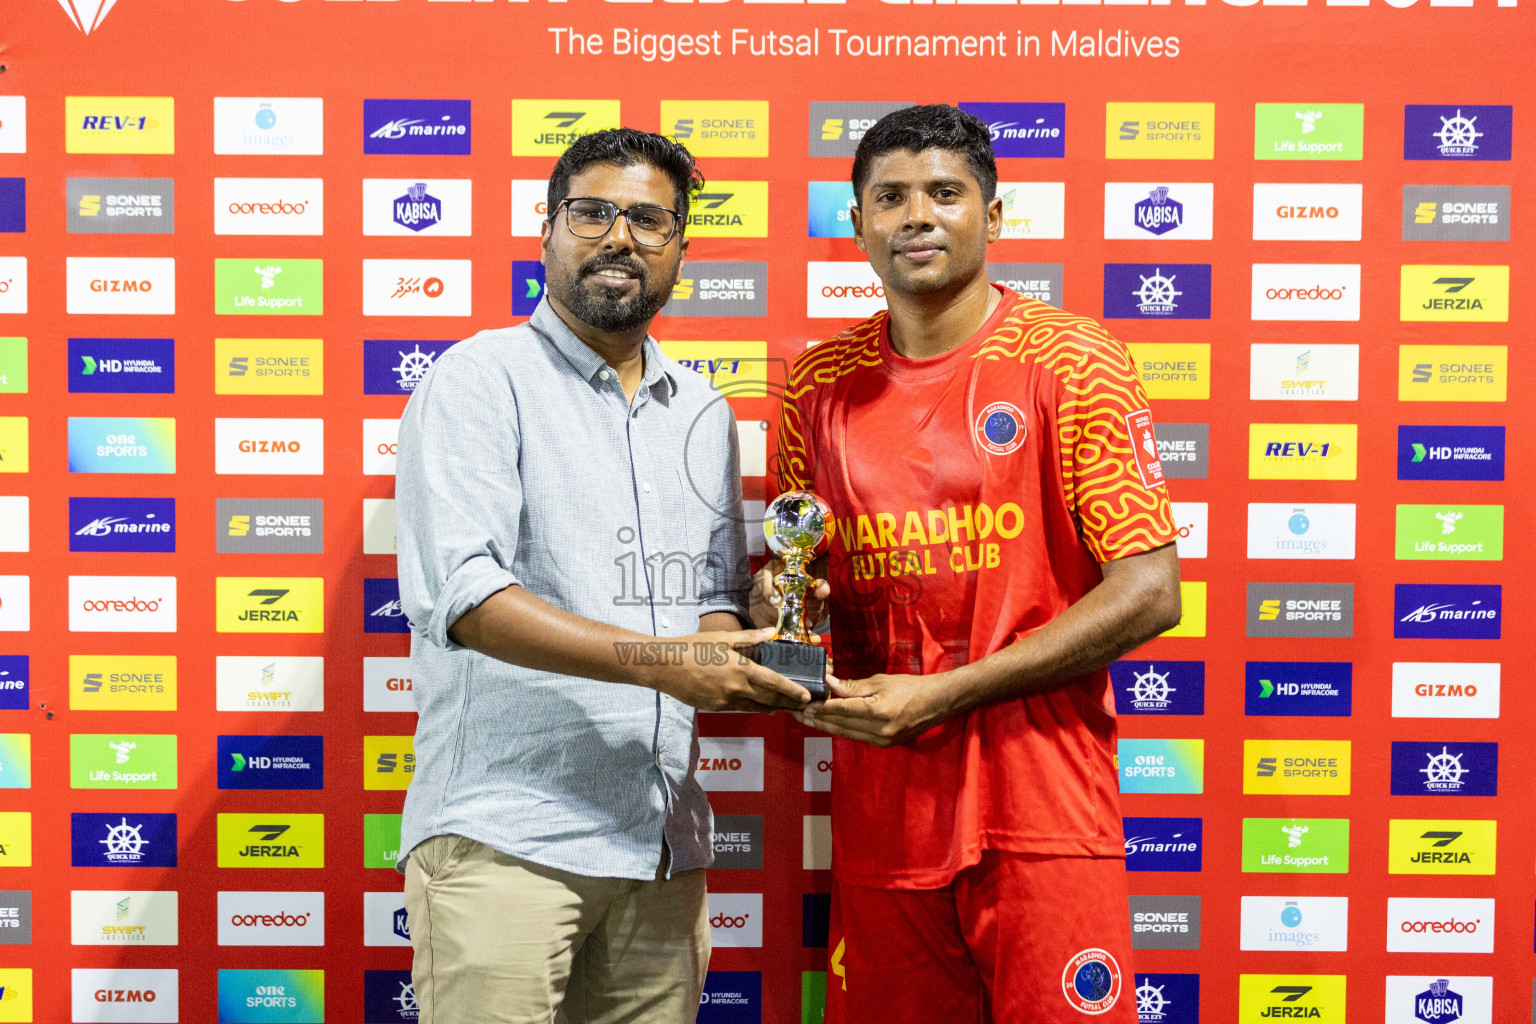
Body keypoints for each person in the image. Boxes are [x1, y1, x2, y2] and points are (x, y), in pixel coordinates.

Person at [759, 104, 1183, 1022]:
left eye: (945, 193)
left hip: (1041, 800)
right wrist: (786, 599)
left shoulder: (1071, 359)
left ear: (993, 217)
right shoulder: (818, 383)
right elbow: (800, 577)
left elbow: (1149, 593)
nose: (918, 215)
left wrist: (949, 692)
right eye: (891, 197)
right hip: (887, 803)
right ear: (859, 220)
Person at [394, 127, 812, 1024]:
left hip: (660, 851)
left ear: (679, 251)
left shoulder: (702, 410)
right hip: (510, 840)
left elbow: (708, 607)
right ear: (548, 230)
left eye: (649, 220)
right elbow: (465, 600)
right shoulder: (478, 379)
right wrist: (671, 665)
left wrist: (746, 646)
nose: (620, 236)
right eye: (593, 212)